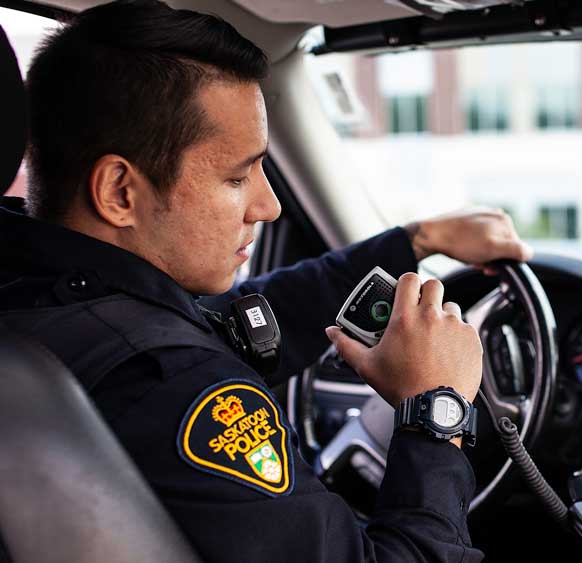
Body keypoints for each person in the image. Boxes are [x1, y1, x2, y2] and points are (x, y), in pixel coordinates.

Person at [0, 1, 532, 561]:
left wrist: (414, 241)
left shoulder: (36, 285)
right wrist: (436, 409)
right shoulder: (177, 387)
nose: (269, 206)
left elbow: (229, 324)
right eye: (236, 177)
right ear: (120, 193)